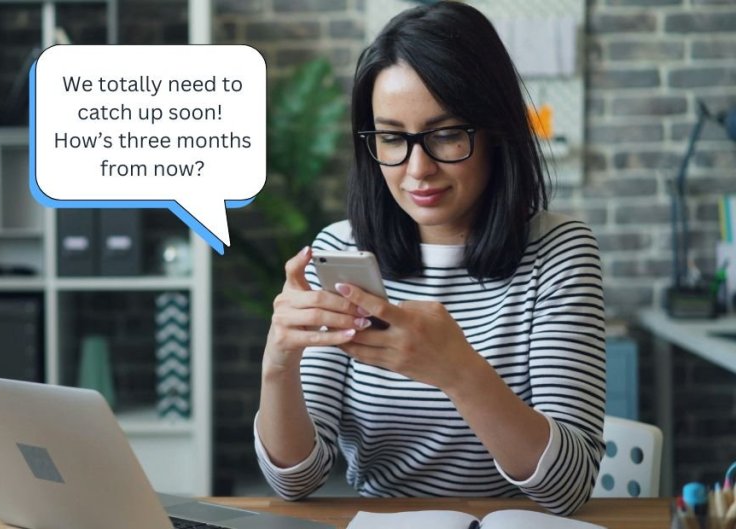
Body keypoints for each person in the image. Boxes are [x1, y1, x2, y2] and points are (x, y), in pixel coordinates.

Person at [254, 1, 606, 517]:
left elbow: (568, 488)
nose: (418, 169)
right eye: (393, 138)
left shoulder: (558, 251)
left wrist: (458, 372)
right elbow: (296, 480)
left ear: (495, 133)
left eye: (445, 134)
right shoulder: (340, 250)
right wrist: (278, 365)